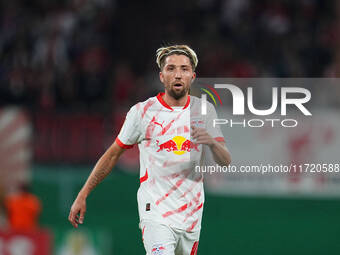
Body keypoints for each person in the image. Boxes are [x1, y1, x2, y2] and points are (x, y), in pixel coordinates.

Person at [68, 45, 231, 255]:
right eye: (171, 69)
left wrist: (212, 142)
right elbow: (112, 155)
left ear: (192, 75)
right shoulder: (143, 112)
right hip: (155, 212)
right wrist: (83, 194)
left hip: (192, 215)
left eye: (184, 69)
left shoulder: (205, 110)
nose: (178, 74)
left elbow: (225, 160)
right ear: (162, 76)